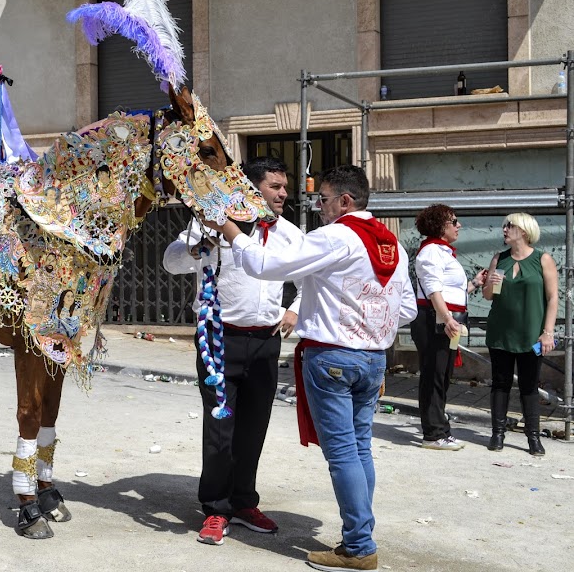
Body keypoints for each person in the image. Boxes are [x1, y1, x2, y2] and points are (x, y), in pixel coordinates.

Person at [204, 164, 416, 571]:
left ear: (345, 201)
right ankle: (359, 535)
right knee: (359, 449)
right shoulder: (392, 243)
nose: (319, 208)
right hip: (372, 358)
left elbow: (265, 266)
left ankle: (359, 545)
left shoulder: (337, 235)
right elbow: (404, 308)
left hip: (334, 356)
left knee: (343, 456)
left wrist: (231, 231)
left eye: (324, 199)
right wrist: (369, 326)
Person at [163, 156, 302, 546]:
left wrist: (294, 309)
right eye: (275, 186)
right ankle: (215, 508)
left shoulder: (288, 233)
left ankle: (243, 502)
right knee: (220, 428)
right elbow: (170, 262)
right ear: (252, 187)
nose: (283, 194)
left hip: (264, 343)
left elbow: (312, 276)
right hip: (218, 340)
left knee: (254, 427)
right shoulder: (211, 223)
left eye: (284, 187)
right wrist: (198, 247)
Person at [410, 204, 487, 450]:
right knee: (434, 375)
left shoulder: (443, 252)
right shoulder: (431, 252)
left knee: (443, 376)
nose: (459, 225)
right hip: (434, 320)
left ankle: (441, 428)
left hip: (443, 319)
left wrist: (475, 283)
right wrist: (447, 319)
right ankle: (432, 434)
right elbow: (433, 289)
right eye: (454, 221)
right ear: (441, 226)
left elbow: (451, 291)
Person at [482, 213, 558, 456]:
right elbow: (488, 296)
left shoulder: (542, 259)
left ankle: (533, 437)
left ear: (524, 231)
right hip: (500, 332)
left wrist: (547, 333)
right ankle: (498, 434)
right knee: (500, 383)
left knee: (529, 385)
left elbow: (552, 298)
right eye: (504, 226)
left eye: (509, 226)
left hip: (531, 335)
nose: (504, 229)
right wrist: (490, 283)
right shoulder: (499, 258)